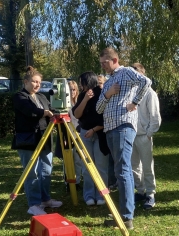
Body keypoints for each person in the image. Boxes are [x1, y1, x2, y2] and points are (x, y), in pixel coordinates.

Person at [96, 47, 151, 229]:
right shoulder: (110, 81)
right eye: (101, 63)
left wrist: (134, 102)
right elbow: (98, 108)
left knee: (123, 169)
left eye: (105, 62)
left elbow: (146, 82)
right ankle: (123, 213)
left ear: (115, 59)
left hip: (123, 126)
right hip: (111, 128)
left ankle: (127, 216)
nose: (103, 66)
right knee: (120, 169)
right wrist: (109, 93)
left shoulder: (126, 72)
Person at [12, 66, 62, 216]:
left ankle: (45, 199)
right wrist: (44, 112)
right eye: (34, 82)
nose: (37, 85)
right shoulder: (20, 96)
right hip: (28, 139)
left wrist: (53, 113)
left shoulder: (41, 96)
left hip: (44, 137)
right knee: (31, 172)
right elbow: (30, 111)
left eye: (39, 82)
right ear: (26, 81)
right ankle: (34, 204)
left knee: (46, 169)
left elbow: (50, 109)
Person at [73, 72, 109, 206]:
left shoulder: (102, 94)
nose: (80, 86)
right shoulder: (83, 95)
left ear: (88, 82)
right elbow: (77, 114)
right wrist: (85, 100)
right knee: (87, 166)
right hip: (85, 132)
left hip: (100, 133)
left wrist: (94, 130)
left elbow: (106, 119)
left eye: (82, 83)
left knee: (101, 166)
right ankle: (88, 195)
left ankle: (101, 194)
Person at [130, 63, 161, 209]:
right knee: (134, 166)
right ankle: (140, 190)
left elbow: (155, 118)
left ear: (143, 75)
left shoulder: (150, 93)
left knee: (147, 166)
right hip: (130, 134)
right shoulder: (130, 92)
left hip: (144, 135)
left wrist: (149, 134)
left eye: (137, 75)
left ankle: (150, 194)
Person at [67, 80, 82, 192]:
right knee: (68, 159)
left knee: (78, 159)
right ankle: (68, 182)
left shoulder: (79, 101)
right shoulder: (65, 103)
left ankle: (77, 181)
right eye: (69, 89)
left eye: (73, 89)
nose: (72, 91)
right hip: (67, 133)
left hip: (79, 134)